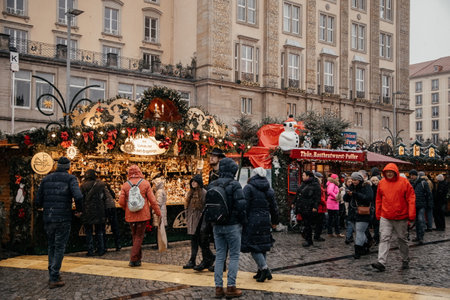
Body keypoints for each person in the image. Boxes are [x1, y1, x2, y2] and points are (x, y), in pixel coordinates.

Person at [35, 157, 83, 289]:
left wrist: (43, 206)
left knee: (51, 246)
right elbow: (78, 196)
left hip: (48, 217)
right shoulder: (71, 179)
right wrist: (79, 210)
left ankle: (53, 273)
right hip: (63, 217)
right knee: (60, 247)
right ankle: (54, 277)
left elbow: (38, 199)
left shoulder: (46, 179)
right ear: (68, 166)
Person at [210, 158, 246, 299]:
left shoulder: (212, 184)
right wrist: (243, 222)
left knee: (220, 256)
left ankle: (218, 288)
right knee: (234, 256)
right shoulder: (235, 185)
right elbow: (241, 206)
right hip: (232, 225)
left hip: (217, 225)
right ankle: (231, 287)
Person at [372, 163, 415, 272]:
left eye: (391, 172)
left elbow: (411, 198)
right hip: (386, 216)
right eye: (387, 172)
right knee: (384, 238)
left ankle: (405, 259)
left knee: (402, 239)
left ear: (395, 172)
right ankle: (381, 262)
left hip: (401, 217)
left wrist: (411, 214)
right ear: (384, 173)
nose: (389, 174)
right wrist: (378, 213)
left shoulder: (404, 182)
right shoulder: (382, 183)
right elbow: (378, 199)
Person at [119, 165, 161, 267]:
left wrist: (127, 209)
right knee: (139, 236)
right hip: (143, 214)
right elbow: (152, 200)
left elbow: (121, 202)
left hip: (131, 215)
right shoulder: (145, 183)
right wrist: (158, 211)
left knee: (135, 236)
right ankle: (133, 258)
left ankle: (138, 259)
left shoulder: (125, 185)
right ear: (139, 172)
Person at [242, 167, 279, 283]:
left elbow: (244, 206)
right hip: (265, 220)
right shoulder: (269, 189)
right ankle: (260, 271)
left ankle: (264, 269)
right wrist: (275, 221)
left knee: (253, 246)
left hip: (252, 220)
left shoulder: (248, 188)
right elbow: (274, 207)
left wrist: (243, 220)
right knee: (262, 245)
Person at [199, 147, 225, 272]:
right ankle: (207, 258)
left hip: (219, 209)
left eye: (214, 156)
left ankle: (222, 263)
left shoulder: (223, 174)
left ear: (219, 159)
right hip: (209, 207)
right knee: (202, 234)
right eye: (211, 155)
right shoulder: (210, 173)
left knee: (218, 237)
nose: (211, 158)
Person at [80, 169, 111, 256]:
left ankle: (90, 250)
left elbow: (80, 199)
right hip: (99, 210)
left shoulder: (83, 186)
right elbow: (105, 197)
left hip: (88, 210)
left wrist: (80, 209)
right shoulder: (101, 184)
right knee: (99, 231)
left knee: (88, 231)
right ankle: (101, 249)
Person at [344, 172, 373, 259]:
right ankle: (365, 245)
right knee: (359, 231)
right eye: (352, 180)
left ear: (360, 180)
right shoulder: (351, 187)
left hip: (363, 212)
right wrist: (348, 194)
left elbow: (369, 198)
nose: (354, 181)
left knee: (360, 231)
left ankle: (357, 251)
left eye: (355, 180)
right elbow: (345, 199)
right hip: (352, 212)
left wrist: (355, 194)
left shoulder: (366, 186)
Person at [183, 174, 207, 269]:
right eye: (192, 181)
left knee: (201, 241)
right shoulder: (191, 193)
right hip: (192, 220)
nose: (193, 183)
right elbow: (188, 206)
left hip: (199, 220)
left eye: (195, 181)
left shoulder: (203, 192)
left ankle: (206, 259)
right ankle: (192, 260)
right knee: (194, 241)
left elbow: (205, 206)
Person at [295, 170, 321, 247]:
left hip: (309, 207)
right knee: (305, 223)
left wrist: (315, 207)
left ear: (308, 176)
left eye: (303, 175)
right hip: (303, 206)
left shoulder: (315, 185)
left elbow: (317, 197)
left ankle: (309, 240)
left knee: (308, 224)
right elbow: (298, 194)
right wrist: (294, 202)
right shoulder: (303, 184)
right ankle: (307, 238)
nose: (302, 177)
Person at [409, 170, 432, 245]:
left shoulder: (423, 183)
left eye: (413, 175)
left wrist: (429, 204)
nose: (411, 177)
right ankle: (418, 236)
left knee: (421, 220)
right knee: (416, 222)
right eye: (411, 175)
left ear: (416, 175)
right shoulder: (410, 183)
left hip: (421, 205)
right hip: (414, 205)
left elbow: (428, 194)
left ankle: (421, 237)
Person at [152, 175, 168, 250]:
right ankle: (161, 243)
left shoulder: (159, 192)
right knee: (161, 228)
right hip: (161, 211)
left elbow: (158, 203)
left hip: (159, 212)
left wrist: (154, 210)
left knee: (159, 229)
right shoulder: (160, 191)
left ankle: (160, 244)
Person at [104, 183, 121, 251]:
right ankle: (118, 244)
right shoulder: (107, 186)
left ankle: (104, 246)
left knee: (102, 227)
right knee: (115, 225)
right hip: (112, 206)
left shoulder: (98, 186)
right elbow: (113, 195)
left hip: (104, 207)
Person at [314, 172, 327, 242]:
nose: (321, 179)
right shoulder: (318, 186)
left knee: (319, 222)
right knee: (319, 222)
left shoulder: (319, 185)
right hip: (320, 207)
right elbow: (320, 197)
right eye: (320, 178)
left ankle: (317, 235)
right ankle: (317, 236)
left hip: (320, 207)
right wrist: (325, 203)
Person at [370, 176, 381, 244]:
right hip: (373, 207)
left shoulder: (380, 187)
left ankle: (377, 237)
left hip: (378, 207)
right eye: (373, 180)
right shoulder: (370, 188)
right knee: (375, 223)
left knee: (377, 223)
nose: (375, 182)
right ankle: (375, 237)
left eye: (376, 180)